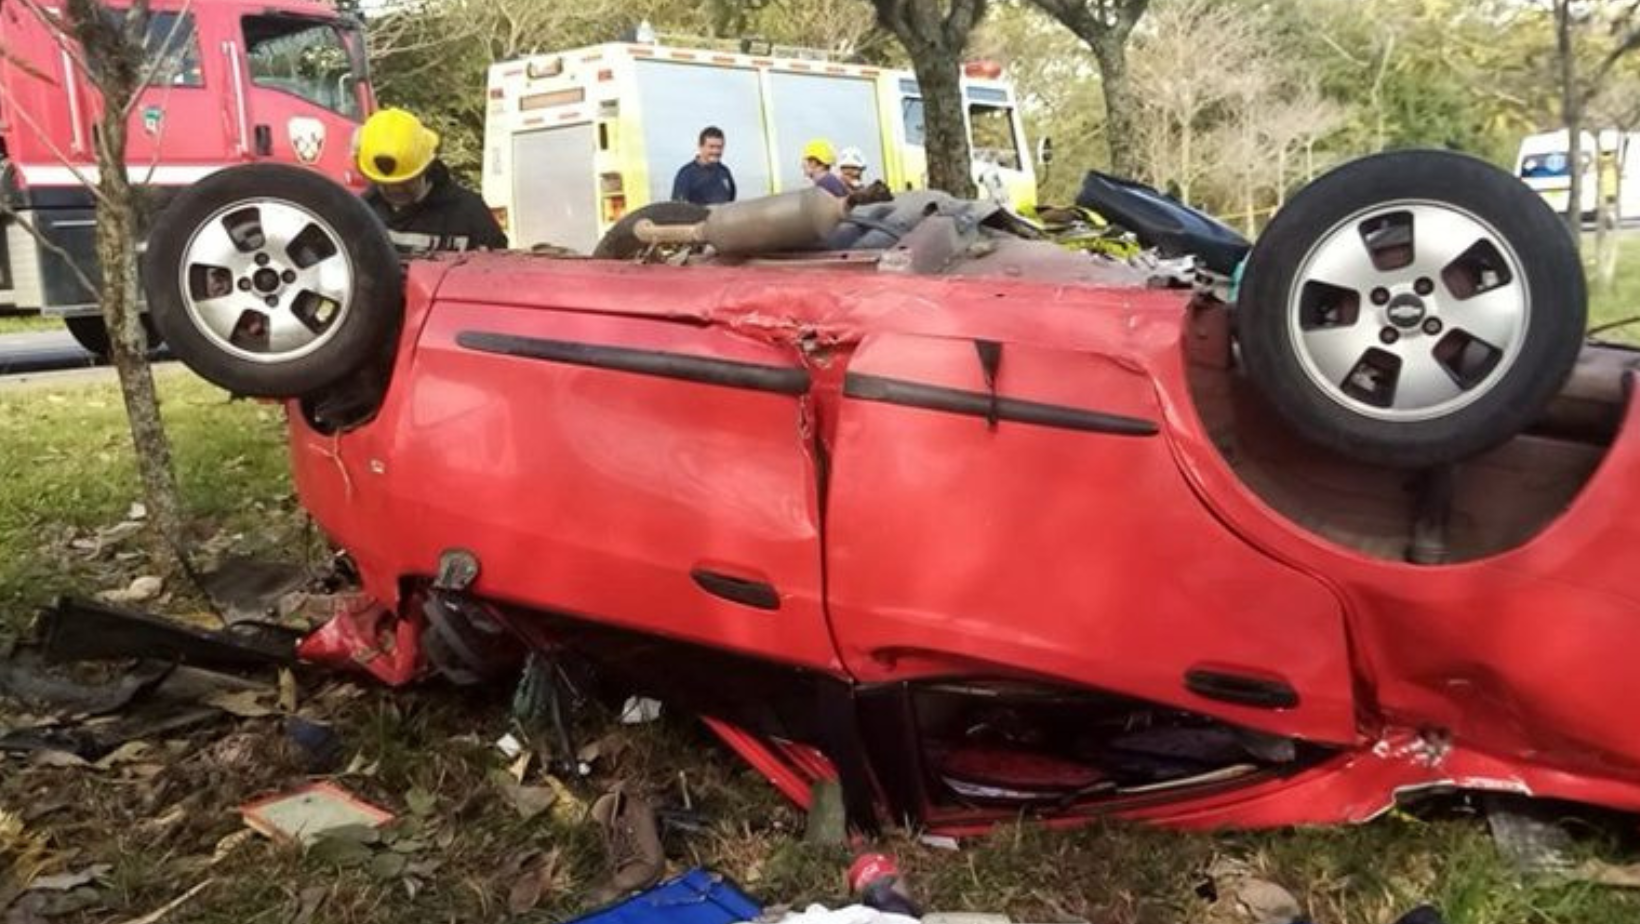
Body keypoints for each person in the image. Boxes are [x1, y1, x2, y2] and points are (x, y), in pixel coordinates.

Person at [357, 107, 508, 255]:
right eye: (386, 185)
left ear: (426, 168)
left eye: (406, 182)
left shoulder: (469, 214)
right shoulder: (361, 216)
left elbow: (499, 271)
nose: (396, 190)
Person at [671, 126, 737, 205]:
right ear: (700, 146)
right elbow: (678, 208)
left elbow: (731, 200)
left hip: (722, 217)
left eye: (719, 147)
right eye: (711, 147)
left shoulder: (724, 171)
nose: (716, 151)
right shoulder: (686, 174)